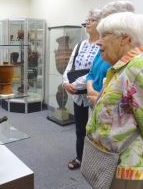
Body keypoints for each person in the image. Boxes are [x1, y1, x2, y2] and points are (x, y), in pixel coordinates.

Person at [86, 12, 143, 189]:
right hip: (114, 161)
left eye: (104, 35)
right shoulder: (124, 66)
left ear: (125, 39)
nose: (99, 42)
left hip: (129, 167)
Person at [62, 9, 102, 170]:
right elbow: (69, 66)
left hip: (95, 94)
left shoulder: (102, 45)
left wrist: (75, 85)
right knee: (80, 129)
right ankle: (80, 157)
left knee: (96, 131)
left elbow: (95, 72)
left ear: (101, 23)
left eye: (92, 20)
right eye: (87, 20)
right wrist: (65, 83)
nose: (88, 23)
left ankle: (96, 161)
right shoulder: (80, 44)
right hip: (77, 95)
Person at [86, 1, 135, 107]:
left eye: (105, 34)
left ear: (124, 36)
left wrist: (101, 101)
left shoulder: (142, 68)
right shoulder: (112, 56)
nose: (98, 42)